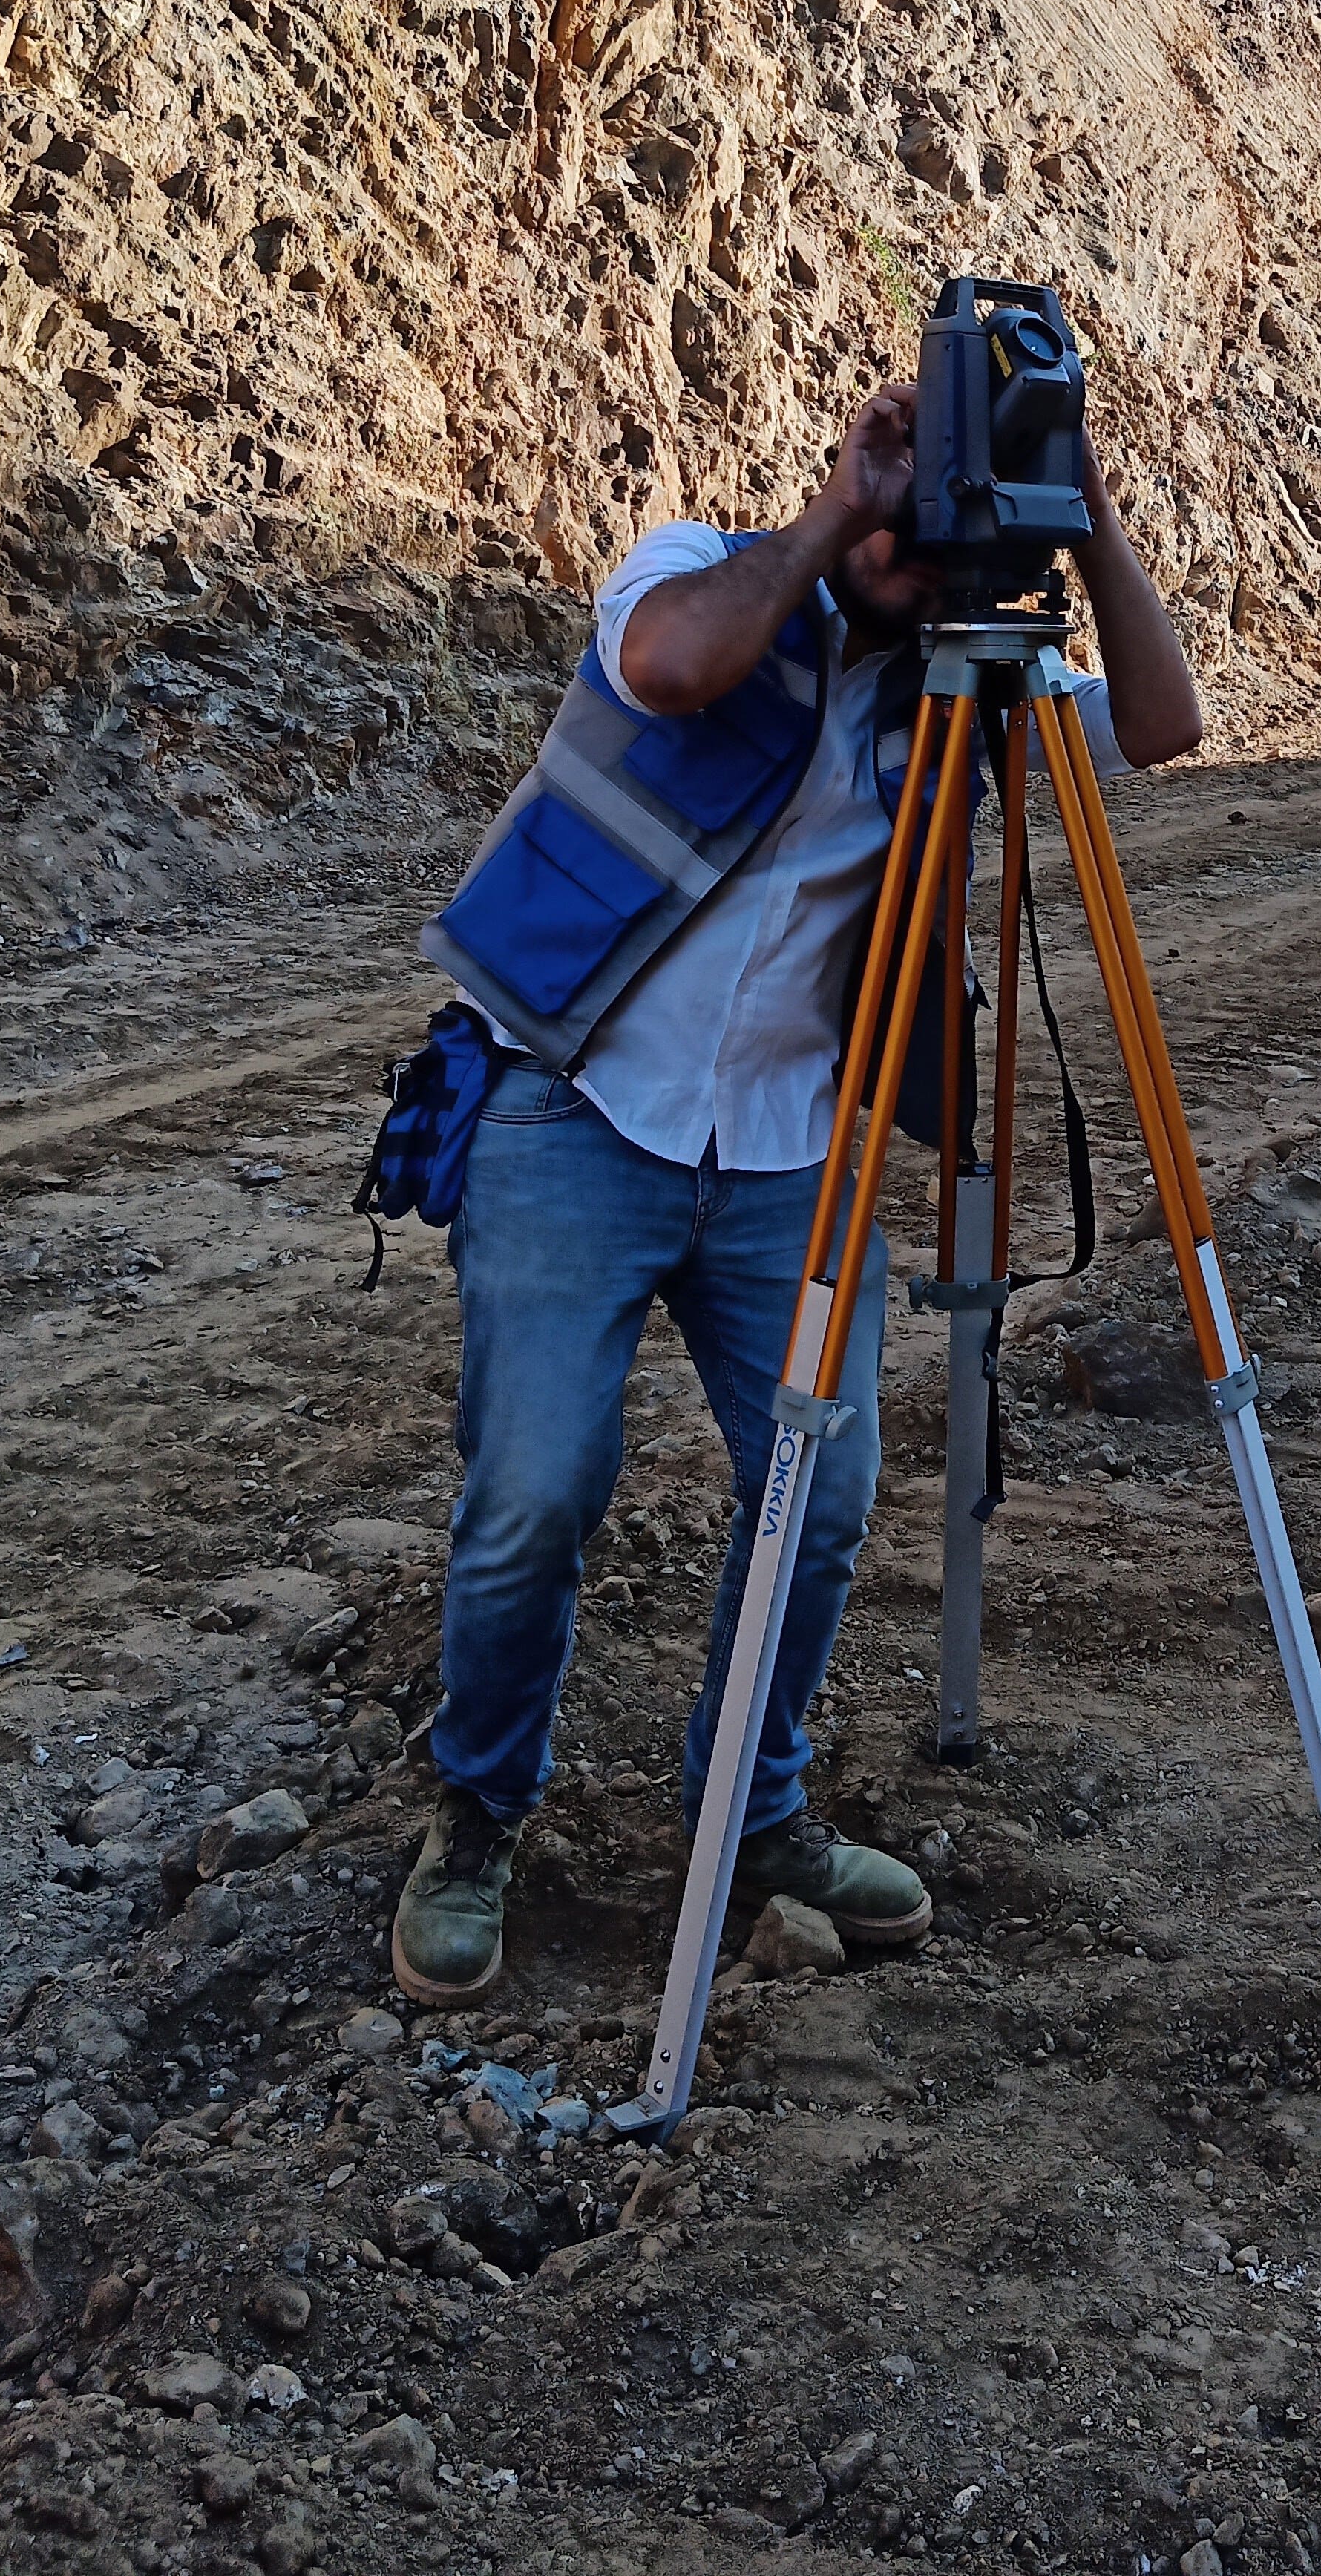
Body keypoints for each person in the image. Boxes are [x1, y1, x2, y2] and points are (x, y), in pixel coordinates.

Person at [390, 384, 1204, 2002]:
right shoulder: (696, 568)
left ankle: (751, 1815)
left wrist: (1086, 513)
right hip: (570, 1106)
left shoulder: (968, 688)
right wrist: (842, 514)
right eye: (901, 511)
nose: (914, 550)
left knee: (819, 1502)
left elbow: (1165, 725)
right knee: (536, 1492)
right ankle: (476, 1813)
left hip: (784, 1155)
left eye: (943, 524)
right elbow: (672, 670)